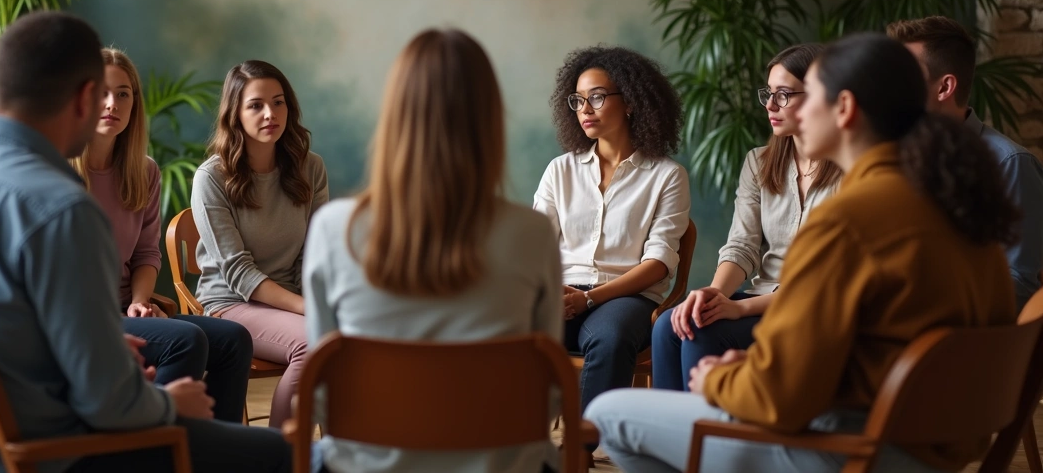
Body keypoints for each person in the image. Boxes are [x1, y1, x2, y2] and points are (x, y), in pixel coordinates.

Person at [0, 11, 290, 473]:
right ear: (87, 97)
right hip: (33, 457)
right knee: (290, 457)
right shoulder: (61, 208)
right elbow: (110, 406)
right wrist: (166, 405)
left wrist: (100, 351)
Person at [586, 33, 1018, 473]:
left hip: (856, 450)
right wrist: (751, 368)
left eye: (809, 97)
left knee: (610, 415)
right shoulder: (955, 204)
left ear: (844, 108)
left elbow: (780, 402)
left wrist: (720, 379)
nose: (792, 109)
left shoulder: (848, 220)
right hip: (929, 451)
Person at [303, 28, 563, 473]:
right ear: (490, 121)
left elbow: (323, 393)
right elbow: (549, 395)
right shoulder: (533, 234)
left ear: (394, 116)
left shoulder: (332, 229)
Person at [72, 48, 254, 423]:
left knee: (234, 340)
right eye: (102, 93)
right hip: (83, 316)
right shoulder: (58, 170)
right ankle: (159, 450)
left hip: (127, 308)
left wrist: (139, 301)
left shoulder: (144, 171)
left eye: (123, 93)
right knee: (186, 340)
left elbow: (145, 255)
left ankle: (216, 453)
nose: (113, 103)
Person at [651, 44, 841, 391]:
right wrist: (712, 295)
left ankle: (707, 440)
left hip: (811, 311)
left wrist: (739, 310)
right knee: (671, 324)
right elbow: (741, 246)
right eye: (768, 93)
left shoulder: (851, 169)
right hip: (761, 297)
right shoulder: (759, 162)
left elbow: (829, 284)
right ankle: (671, 440)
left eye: (783, 95)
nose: (770, 105)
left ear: (820, 96)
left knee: (703, 334)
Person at [533, 45, 691, 417]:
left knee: (612, 337)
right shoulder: (560, 170)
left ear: (632, 102)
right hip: (563, 289)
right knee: (512, 325)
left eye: (598, 97)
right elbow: (536, 247)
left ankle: (581, 448)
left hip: (628, 296)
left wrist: (590, 299)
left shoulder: (667, 176)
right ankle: (513, 443)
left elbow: (658, 263)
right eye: (578, 100)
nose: (585, 109)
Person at [192, 60, 329, 428]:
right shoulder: (212, 178)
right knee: (317, 342)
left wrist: (316, 303)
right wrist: (307, 309)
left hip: (292, 303)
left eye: (279, 102)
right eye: (255, 105)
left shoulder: (310, 168)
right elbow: (238, 273)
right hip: (230, 304)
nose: (270, 114)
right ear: (235, 114)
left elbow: (314, 254)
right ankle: (281, 458)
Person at [888, 16, 1043, 312]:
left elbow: (1019, 284)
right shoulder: (891, 155)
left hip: (961, 340)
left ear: (944, 87)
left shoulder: (1010, 163)